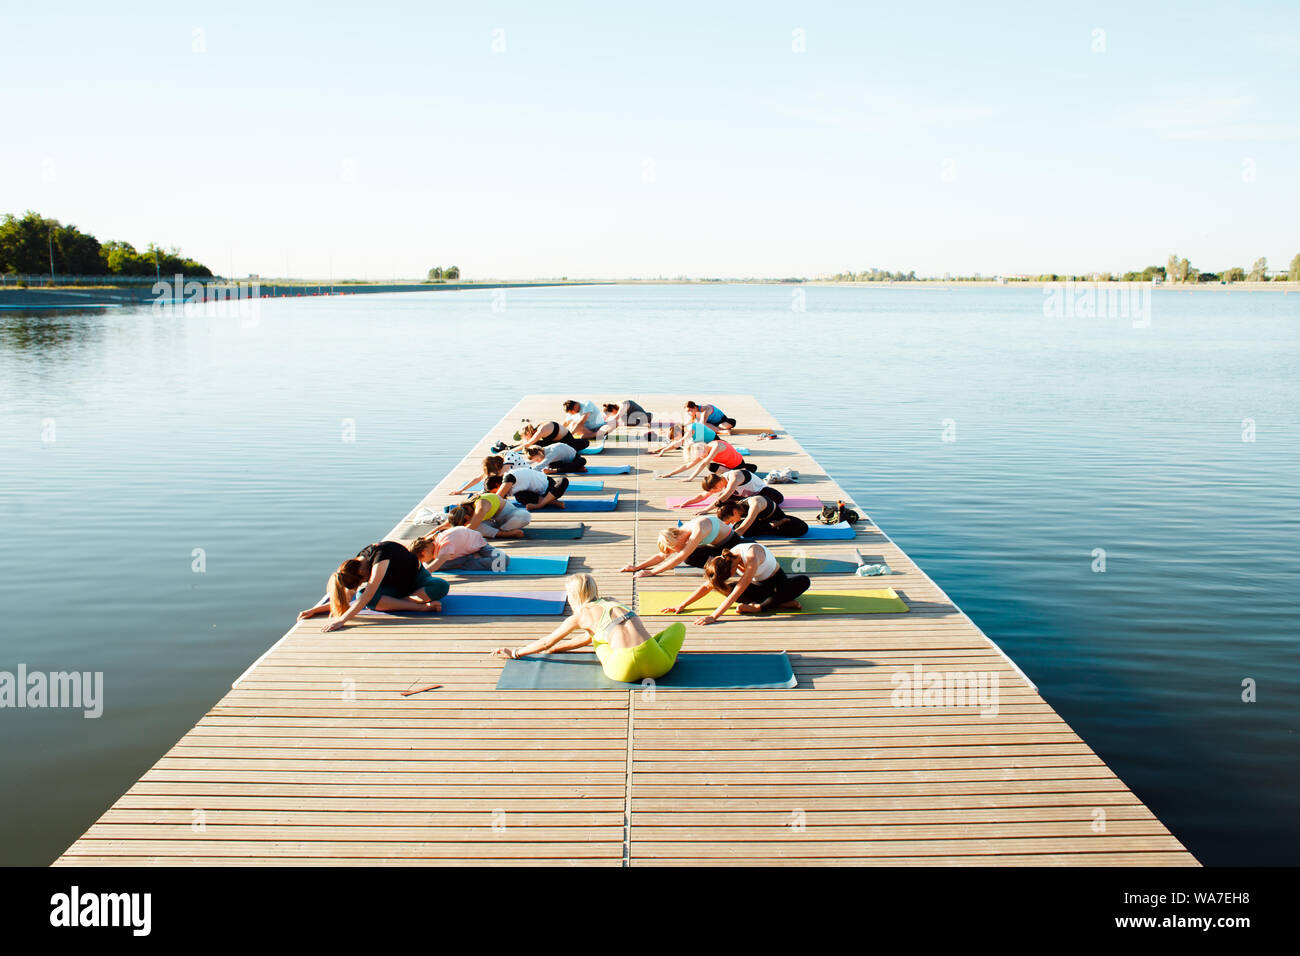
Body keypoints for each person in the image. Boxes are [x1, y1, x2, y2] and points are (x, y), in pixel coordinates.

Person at [490, 573, 687, 683]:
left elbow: (547, 642)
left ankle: (657, 655)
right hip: (659, 665)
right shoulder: (614, 602)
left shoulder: (580, 616)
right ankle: (669, 655)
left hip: (621, 671)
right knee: (677, 626)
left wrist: (515, 652)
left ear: (573, 596)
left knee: (598, 639)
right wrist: (559, 648)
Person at [297, 540, 449, 631]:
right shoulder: (356, 565)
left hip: (416, 580)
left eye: (363, 579)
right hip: (394, 588)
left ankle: (407, 599)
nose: (364, 581)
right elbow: (350, 598)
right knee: (362, 595)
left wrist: (342, 620)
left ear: (361, 570)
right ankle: (419, 606)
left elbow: (369, 592)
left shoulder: (380, 556)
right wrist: (315, 610)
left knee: (441, 587)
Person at [660, 544, 810, 625]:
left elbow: (738, 591)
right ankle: (777, 603)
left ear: (732, 569)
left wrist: (714, 616)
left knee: (804, 580)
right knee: (723, 588)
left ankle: (760, 607)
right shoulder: (722, 559)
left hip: (778, 583)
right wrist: (682, 605)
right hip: (758, 588)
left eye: (729, 575)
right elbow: (707, 585)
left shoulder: (751, 556)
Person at [621, 515, 743, 576]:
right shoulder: (679, 536)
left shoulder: (697, 530)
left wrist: (652, 572)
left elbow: (678, 559)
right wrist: (637, 567)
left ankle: (725, 565)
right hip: (717, 547)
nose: (674, 552)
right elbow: (661, 556)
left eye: (673, 549)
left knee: (687, 557)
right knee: (689, 556)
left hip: (734, 544)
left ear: (676, 541)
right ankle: (720, 564)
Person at [675, 467, 784, 512]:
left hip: (761, 491)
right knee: (721, 502)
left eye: (714, 490)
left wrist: (706, 510)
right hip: (745, 496)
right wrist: (687, 502)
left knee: (779, 499)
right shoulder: (718, 481)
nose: (712, 492)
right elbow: (703, 495)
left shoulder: (734, 477)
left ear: (718, 483)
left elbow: (726, 494)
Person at [656, 435, 756, 481]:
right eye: (701, 456)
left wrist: (691, 478)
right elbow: (688, 465)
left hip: (738, 463)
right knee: (711, 466)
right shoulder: (702, 450)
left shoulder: (716, 446)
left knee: (708, 465)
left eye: (702, 454)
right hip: (727, 466)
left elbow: (703, 464)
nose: (702, 456)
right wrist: (669, 474)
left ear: (703, 448)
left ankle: (744, 469)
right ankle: (736, 471)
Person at [411, 526, 505, 572]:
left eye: (421, 559)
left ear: (424, 552)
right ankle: (467, 558)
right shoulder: (430, 541)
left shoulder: (445, 547)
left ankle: (468, 560)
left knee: (502, 562)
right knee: (429, 563)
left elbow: (429, 570)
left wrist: (417, 578)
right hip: (465, 546)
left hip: (479, 544)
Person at [493, 455, 569, 510]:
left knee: (563, 480)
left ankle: (541, 505)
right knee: (519, 497)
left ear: (497, 485)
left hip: (550, 488)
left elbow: (497, 498)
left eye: (495, 491)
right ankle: (552, 502)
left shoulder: (508, 477)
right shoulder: (509, 487)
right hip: (539, 494)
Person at [718, 496, 809, 538]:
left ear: (734, 512)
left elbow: (741, 530)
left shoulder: (755, 504)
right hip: (761, 522)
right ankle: (770, 527)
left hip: (778, 518)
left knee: (802, 528)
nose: (731, 523)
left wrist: (723, 542)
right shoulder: (738, 508)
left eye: (731, 520)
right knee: (736, 527)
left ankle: (771, 527)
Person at [500, 420, 589, 454]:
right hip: (558, 441)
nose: (526, 438)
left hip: (568, 442)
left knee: (586, 443)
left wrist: (509, 452)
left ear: (529, 433)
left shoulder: (541, 430)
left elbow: (527, 444)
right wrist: (511, 446)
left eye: (525, 436)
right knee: (535, 444)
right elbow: (526, 441)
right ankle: (508, 446)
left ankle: (509, 448)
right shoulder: (539, 427)